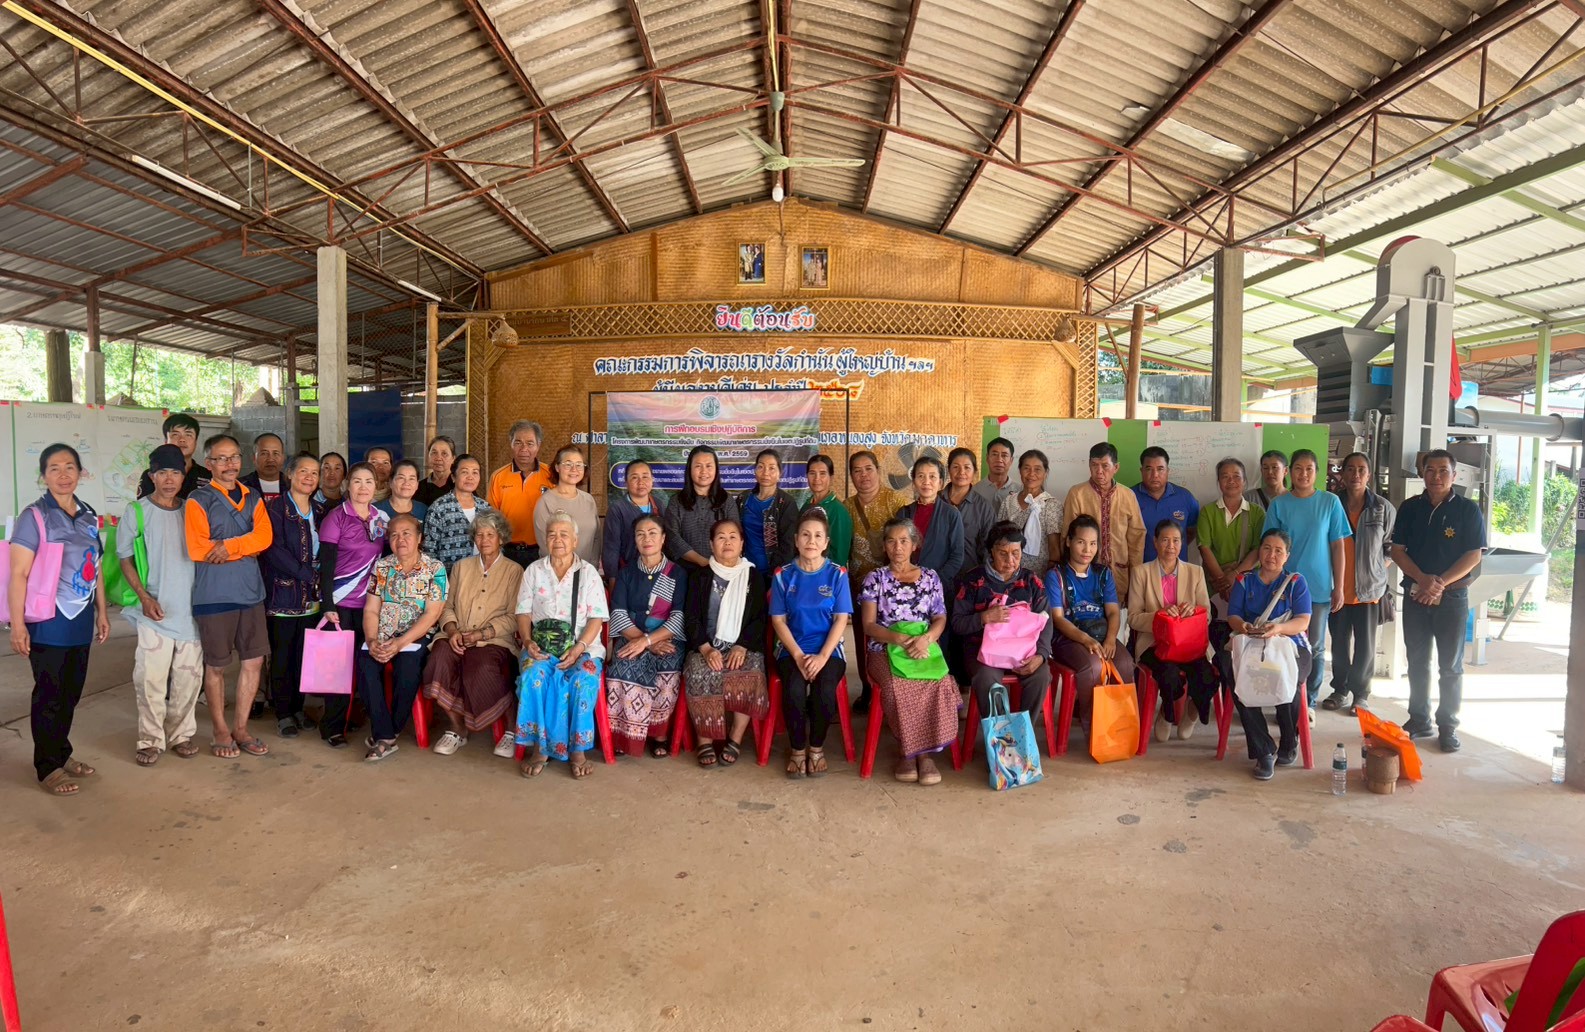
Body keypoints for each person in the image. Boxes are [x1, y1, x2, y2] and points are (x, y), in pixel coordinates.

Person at [10, 444, 111, 794]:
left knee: (70, 693)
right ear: (44, 476)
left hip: (79, 618)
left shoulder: (88, 514)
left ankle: (61, 753)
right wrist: (18, 625)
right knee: (49, 694)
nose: (63, 474)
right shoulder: (34, 516)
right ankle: (47, 767)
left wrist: (101, 611)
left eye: (70, 467)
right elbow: (18, 574)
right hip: (47, 621)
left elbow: (95, 566)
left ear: (80, 473)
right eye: (54, 468)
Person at [184, 434, 274, 758]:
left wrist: (229, 546)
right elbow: (198, 548)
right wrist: (245, 547)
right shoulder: (198, 499)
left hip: (250, 594)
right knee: (217, 666)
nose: (229, 464)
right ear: (209, 464)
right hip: (214, 596)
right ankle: (220, 731)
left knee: (253, 662)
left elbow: (265, 537)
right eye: (221, 458)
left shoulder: (252, 496)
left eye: (234, 457)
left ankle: (241, 728)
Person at [1390, 449, 1485, 752]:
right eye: (1430, 470)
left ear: (1454, 475)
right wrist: (1422, 580)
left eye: (1443, 470)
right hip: (1416, 595)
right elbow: (1397, 551)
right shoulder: (1410, 508)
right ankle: (1419, 719)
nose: (1436, 476)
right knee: (1417, 661)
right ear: (1423, 473)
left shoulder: (1467, 510)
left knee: (1451, 665)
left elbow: (1474, 555)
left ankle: (1448, 725)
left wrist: (1439, 583)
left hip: (1452, 597)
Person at [119, 445, 204, 765]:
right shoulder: (137, 512)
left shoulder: (192, 511)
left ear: (184, 476)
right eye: (162, 473)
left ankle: (181, 735)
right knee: (149, 679)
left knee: (188, 679)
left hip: (190, 613)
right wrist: (144, 596)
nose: (169, 479)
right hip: (153, 611)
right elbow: (124, 558)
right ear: (152, 476)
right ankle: (151, 740)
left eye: (176, 473)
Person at [859, 516, 959, 785]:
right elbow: (869, 625)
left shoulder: (930, 577)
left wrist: (927, 639)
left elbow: (940, 617)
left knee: (939, 683)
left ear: (915, 544)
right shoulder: (875, 578)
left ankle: (924, 755)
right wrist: (899, 638)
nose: (898, 547)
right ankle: (909, 751)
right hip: (884, 648)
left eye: (904, 541)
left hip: (923, 647)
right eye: (891, 541)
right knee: (896, 686)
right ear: (884, 546)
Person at [420, 510, 523, 757]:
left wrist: (481, 634)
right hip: (456, 635)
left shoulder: (514, 571)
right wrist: (452, 630)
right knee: (438, 660)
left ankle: (511, 729)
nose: (484, 540)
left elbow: (515, 617)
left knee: (480, 667)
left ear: (501, 538)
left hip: (494, 640)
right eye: (479, 534)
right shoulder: (461, 567)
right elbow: (447, 606)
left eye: (490, 535)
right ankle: (457, 728)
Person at [514, 511, 608, 779]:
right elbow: (523, 613)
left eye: (564, 534)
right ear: (545, 540)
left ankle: (577, 749)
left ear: (575, 540)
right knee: (534, 677)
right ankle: (540, 747)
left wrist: (578, 649)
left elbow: (596, 618)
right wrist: (528, 641)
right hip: (541, 647)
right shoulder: (534, 571)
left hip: (582, 647)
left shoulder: (588, 573)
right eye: (552, 534)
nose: (558, 540)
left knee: (582, 679)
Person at [1261, 448, 1349, 714]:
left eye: (1309, 469)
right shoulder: (1279, 504)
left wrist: (1339, 586)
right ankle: (1284, 698)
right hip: (1283, 587)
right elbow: (1269, 546)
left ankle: (1308, 702)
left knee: (1316, 646)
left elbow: (1338, 546)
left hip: (1319, 587)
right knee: (1283, 642)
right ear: (1290, 472)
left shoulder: (1330, 502)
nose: (1303, 474)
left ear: (1316, 473)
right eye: (1298, 468)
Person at [769, 509, 853, 779]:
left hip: (829, 650)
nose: (811, 541)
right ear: (796, 540)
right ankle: (796, 749)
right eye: (805, 535)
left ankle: (816, 748)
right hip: (791, 649)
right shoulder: (783, 575)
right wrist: (798, 655)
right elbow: (779, 621)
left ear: (826, 543)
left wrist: (822, 657)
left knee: (824, 689)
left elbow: (841, 619)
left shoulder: (837, 575)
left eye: (818, 536)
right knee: (793, 689)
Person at [357, 514, 447, 762]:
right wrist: (372, 640)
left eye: (407, 533)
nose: (400, 539)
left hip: (416, 637)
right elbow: (371, 609)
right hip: (383, 635)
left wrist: (399, 643)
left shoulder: (435, 569)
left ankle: (387, 733)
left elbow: (431, 615)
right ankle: (387, 735)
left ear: (419, 538)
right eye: (394, 535)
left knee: (408, 668)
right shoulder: (382, 567)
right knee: (365, 662)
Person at [1226, 529, 1314, 781]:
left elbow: (1303, 620)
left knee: (1289, 676)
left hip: (1290, 643)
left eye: (1278, 551)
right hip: (1252, 644)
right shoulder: (1244, 581)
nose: (1271, 555)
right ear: (1259, 551)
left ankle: (1289, 739)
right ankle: (1263, 750)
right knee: (1233, 672)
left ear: (1287, 556)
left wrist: (1278, 629)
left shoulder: (1295, 582)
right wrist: (1243, 626)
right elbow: (1233, 616)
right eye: (1266, 548)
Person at [682, 519, 770, 768]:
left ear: (742, 544)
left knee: (751, 671)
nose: (727, 542)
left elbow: (760, 618)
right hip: (706, 646)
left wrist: (742, 645)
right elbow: (691, 617)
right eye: (721, 537)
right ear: (711, 544)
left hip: (742, 645)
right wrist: (705, 648)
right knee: (700, 671)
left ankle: (735, 737)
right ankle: (705, 740)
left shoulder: (754, 577)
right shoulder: (700, 576)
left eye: (733, 537)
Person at [952, 521, 1054, 724]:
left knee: (1041, 675)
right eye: (1003, 554)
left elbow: (1046, 621)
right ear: (991, 551)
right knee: (986, 679)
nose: (1010, 560)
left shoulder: (1031, 581)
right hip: (982, 653)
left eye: (1016, 553)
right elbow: (957, 623)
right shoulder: (973, 580)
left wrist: (1041, 655)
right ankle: (1000, 735)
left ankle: (1023, 731)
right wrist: (983, 618)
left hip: (1024, 652)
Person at [316, 463, 389, 747]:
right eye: (357, 481)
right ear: (347, 485)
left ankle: (360, 717)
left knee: (366, 664)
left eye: (368, 481)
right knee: (338, 668)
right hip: (340, 603)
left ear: (376, 486)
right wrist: (328, 604)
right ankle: (332, 727)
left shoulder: (380, 518)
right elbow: (326, 566)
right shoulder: (336, 518)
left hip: (370, 605)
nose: (363, 487)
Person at [605, 515, 688, 758]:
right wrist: (644, 642)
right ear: (635, 540)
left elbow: (679, 617)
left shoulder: (678, 573)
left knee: (668, 664)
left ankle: (658, 735)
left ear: (663, 539)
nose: (646, 538)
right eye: (640, 534)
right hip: (632, 635)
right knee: (623, 664)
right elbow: (618, 613)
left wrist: (648, 641)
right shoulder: (626, 573)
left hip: (666, 637)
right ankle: (625, 735)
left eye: (652, 533)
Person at [1128, 519, 1216, 743]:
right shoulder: (1141, 572)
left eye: (1176, 540)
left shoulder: (1195, 572)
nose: (1171, 546)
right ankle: (1166, 713)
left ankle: (1192, 712)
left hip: (1189, 642)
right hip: (1154, 643)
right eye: (1165, 540)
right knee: (1169, 676)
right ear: (1155, 542)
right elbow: (1133, 618)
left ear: (1182, 543)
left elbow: (1207, 615)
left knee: (1207, 676)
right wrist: (1161, 616)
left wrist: (1193, 611)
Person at [1323, 452, 1397, 716]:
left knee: (1365, 645)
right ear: (1342, 473)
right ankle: (1340, 690)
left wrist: (1375, 570)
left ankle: (1361, 695)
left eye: (1361, 469)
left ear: (1369, 475)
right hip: (1337, 589)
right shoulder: (1331, 504)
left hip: (1368, 590)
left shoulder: (1382, 508)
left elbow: (1391, 548)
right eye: (1350, 469)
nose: (1355, 474)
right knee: (1339, 643)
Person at [1046, 515, 1132, 728]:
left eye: (1093, 543)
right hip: (1068, 638)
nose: (1087, 550)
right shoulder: (1056, 575)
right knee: (1093, 666)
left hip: (1101, 635)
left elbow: (1113, 612)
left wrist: (1111, 639)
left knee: (1124, 663)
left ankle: (1118, 726)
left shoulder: (1103, 574)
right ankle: (1093, 727)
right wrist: (1085, 640)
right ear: (1068, 542)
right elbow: (1058, 618)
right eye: (1081, 542)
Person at [260, 452, 322, 739]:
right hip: (283, 596)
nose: (309, 477)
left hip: (312, 598)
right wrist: (306, 573)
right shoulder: (274, 509)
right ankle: (283, 712)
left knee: (303, 656)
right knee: (282, 656)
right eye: (303, 471)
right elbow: (273, 550)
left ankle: (298, 708)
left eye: (314, 473)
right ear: (290, 474)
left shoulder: (320, 510)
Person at [845, 450, 907, 707]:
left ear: (878, 471)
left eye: (868, 469)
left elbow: (905, 541)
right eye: (857, 471)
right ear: (851, 476)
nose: (864, 475)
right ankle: (867, 688)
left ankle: (896, 686)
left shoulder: (896, 502)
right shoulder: (846, 507)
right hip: (859, 586)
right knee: (863, 638)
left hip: (893, 587)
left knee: (894, 634)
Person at [1062, 442, 1146, 602]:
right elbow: (1067, 535)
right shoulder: (1077, 494)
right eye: (1094, 465)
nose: (1099, 471)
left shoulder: (1128, 496)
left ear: (1116, 467)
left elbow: (1137, 540)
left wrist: (1136, 578)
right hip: (1083, 574)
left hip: (1119, 573)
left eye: (1105, 466)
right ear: (1089, 465)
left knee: (1117, 614)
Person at [1198, 458, 1265, 606]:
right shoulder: (1207, 512)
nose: (1231, 481)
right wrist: (1222, 580)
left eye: (1236, 476)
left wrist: (1234, 576)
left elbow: (1258, 549)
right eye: (1225, 476)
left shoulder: (1257, 513)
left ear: (1244, 481)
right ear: (1218, 482)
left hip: (1248, 583)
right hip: (1215, 585)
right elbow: (1204, 548)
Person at [487, 419, 553, 568]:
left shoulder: (551, 475)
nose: (524, 449)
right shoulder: (498, 477)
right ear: (511, 444)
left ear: (538, 445)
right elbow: (492, 517)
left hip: (542, 550)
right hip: (507, 551)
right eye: (518, 442)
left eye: (530, 443)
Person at [662, 444, 739, 569]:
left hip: (721, 569)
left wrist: (716, 565)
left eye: (709, 466)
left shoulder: (726, 500)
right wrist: (702, 561)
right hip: (683, 570)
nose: (704, 471)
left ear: (716, 469)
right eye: (698, 466)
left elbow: (735, 536)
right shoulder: (676, 501)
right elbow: (672, 537)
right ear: (689, 469)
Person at [893, 456, 965, 586]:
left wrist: (935, 581)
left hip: (937, 585)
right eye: (921, 476)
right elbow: (894, 549)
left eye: (932, 476)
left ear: (940, 483)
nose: (926, 482)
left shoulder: (951, 514)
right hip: (905, 584)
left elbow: (957, 556)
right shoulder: (903, 513)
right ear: (913, 482)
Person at [998, 449, 1063, 574]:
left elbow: (1054, 548)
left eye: (1037, 469)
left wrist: (1049, 577)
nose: (1031, 474)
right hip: (1009, 570)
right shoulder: (1009, 501)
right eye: (1026, 468)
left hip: (1039, 574)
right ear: (1020, 471)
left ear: (1045, 473)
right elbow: (999, 538)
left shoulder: (1052, 505)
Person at [424, 453, 494, 569]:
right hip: (449, 575)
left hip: (482, 574)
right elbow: (429, 550)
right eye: (465, 472)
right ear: (453, 477)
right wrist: (439, 577)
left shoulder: (485, 508)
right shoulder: (439, 508)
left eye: (475, 472)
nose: (470, 477)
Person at [535, 445, 600, 568]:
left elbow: (596, 538)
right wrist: (567, 572)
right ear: (557, 467)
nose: (574, 469)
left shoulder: (589, 500)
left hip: (586, 571)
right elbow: (546, 545)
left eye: (579, 465)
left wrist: (592, 568)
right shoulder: (545, 502)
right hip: (555, 572)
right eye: (568, 464)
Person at [603, 459, 667, 580]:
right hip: (627, 574)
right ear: (626, 482)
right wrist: (612, 579)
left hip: (658, 572)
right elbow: (611, 548)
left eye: (645, 477)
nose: (641, 482)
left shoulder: (659, 505)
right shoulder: (617, 509)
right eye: (634, 477)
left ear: (652, 480)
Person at [738, 449, 800, 573]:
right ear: (755, 470)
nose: (766, 473)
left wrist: (776, 575)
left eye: (771, 468)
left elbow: (788, 546)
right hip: (744, 569)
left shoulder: (786, 503)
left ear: (779, 473)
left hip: (772, 572)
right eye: (761, 467)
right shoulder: (743, 499)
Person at [1134, 447, 1200, 561]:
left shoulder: (1185, 497)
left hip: (1177, 568)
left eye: (1160, 469)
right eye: (1149, 469)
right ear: (1142, 471)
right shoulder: (1129, 497)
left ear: (1168, 471)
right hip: (1141, 568)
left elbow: (1191, 531)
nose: (1155, 475)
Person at [945, 446, 996, 578]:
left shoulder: (984, 507)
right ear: (948, 470)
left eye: (967, 467)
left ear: (975, 472)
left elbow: (989, 547)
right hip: (937, 575)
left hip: (970, 576)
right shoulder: (936, 501)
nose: (961, 472)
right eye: (956, 467)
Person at [137, 412, 209, 500]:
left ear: (196, 442)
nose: (182, 440)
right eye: (175, 435)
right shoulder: (152, 475)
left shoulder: (207, 476)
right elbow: (145, 506)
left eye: (188, 435)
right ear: (166, 441)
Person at [801, 453, 853, 566]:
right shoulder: (806, 506)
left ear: (831, 477)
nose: (817, 478)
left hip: (827, 573)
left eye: (822, 473)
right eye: (812, 473)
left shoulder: (838, 511)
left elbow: (839, 556)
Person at [376, 459, 429, 525]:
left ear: (417, 485)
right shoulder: (375, 510)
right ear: (391, 482)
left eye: (411, 479)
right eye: (401, 478)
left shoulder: (424, 511)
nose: (406, 483)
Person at [971, 436, 1017, 509]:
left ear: (1011, 460)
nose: (999, 460)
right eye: (994, 454)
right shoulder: (975, 490)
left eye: (1004, 455)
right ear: (987, 458)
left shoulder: (1020, 491)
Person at [240, 432, 285, 500]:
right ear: (254, 458)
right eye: (264, 453)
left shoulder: (293, 485)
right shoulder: (240, 486)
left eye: (276, 453)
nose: (270, 459)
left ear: (283, 458)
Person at [415, 435, 457, 506]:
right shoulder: (419, 487)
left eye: (444, 453)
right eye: (434, 453)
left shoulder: (460, 485)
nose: (438, 458)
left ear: (453, 458)